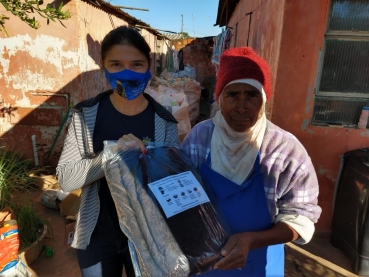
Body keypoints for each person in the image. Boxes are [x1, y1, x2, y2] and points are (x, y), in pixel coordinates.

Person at [180, 47, 322, 276]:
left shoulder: (284, 150)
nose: (242, 106)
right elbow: (181, 196)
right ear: (219, 99)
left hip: (258, 264)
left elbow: (301, 216)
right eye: (232, 95)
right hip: (205, 263)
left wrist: (251, 240)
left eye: (252, 95)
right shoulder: (200, 138)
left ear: (264, 99)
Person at [56, 26, 179, 277]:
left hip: (148, 235)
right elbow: (67, 179)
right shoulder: (86, 115)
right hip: (98, 234)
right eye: (115, 64)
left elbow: (171, 183)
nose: (127, 73)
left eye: (136, 64)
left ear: (149, 64)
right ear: (103, 65)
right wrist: (111, 156)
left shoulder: (165, 122)